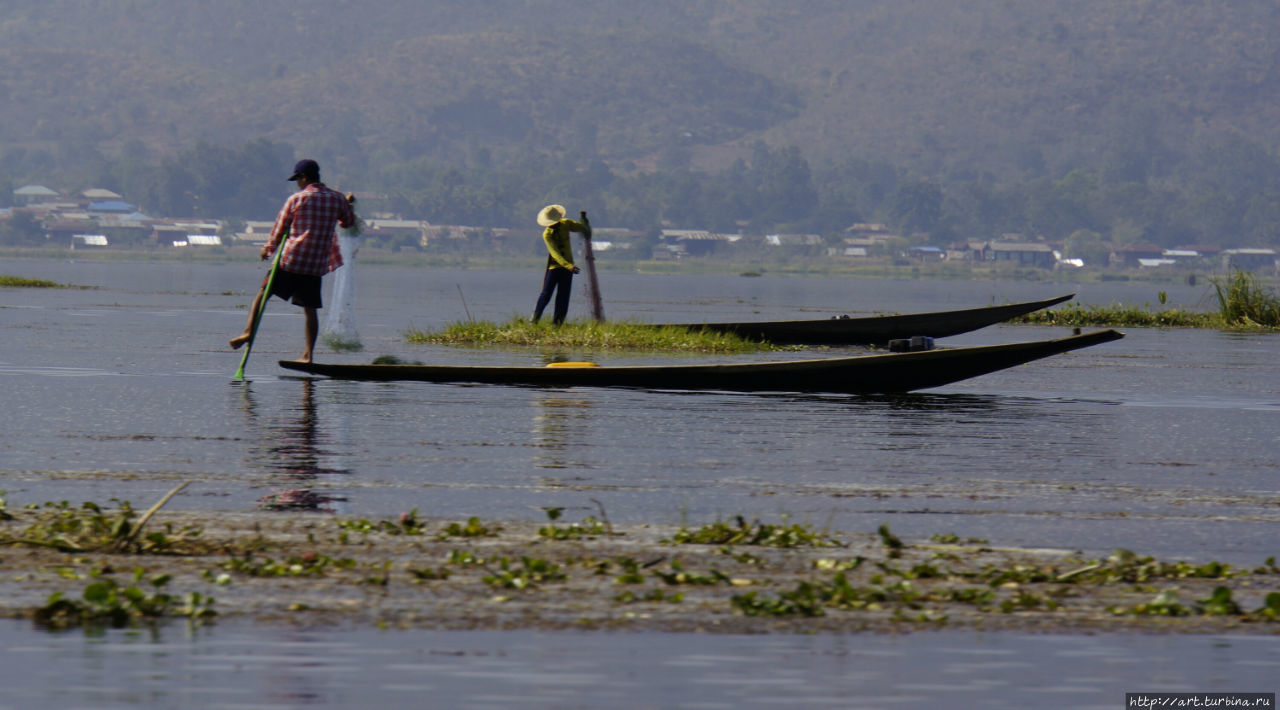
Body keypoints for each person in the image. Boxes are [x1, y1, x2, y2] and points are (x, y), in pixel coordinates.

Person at [230, 159, 355, 363]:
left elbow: (280, 229)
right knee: (310, 310)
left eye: (298, 179)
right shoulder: (337, 199)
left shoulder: (297, 199)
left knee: (263, 295)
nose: (297, 183)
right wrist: (347, 204)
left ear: (304, 178)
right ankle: (308, 355)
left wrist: (268, 249)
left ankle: (247, 332)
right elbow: (348, 223)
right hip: (314, 265)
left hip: (290, 260)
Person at [531, 204, 589, 325]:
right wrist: (568, 266)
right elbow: (555, 253)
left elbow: (581, 228)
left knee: (563, 297)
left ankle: (557, 324)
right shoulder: (547, 234)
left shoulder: (566, 224)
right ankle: (535, 320)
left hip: (568, 269)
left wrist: (584, 220)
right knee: (546, 294)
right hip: (555, 267)